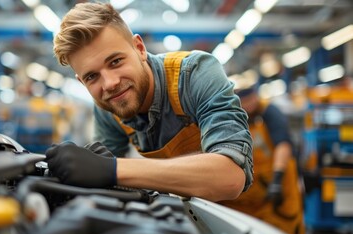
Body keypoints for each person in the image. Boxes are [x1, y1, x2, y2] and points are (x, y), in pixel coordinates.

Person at [47, 2, 253, 202]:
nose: (109, 84)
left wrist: (111, 169)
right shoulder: (109, 106)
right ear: (82, 82)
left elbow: (231, 177)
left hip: (248, 214)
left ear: (140, 48)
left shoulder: (195, 74)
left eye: (116, 61)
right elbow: (103, 184)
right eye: (92, 76)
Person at [219, 85, 305, 234]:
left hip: (275, 196)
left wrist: (277, 180)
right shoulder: (229, 119)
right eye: (244, 101)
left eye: (252, 99)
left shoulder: (270, 113)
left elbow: (283, 145)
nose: (250, 104)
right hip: (245, 202)